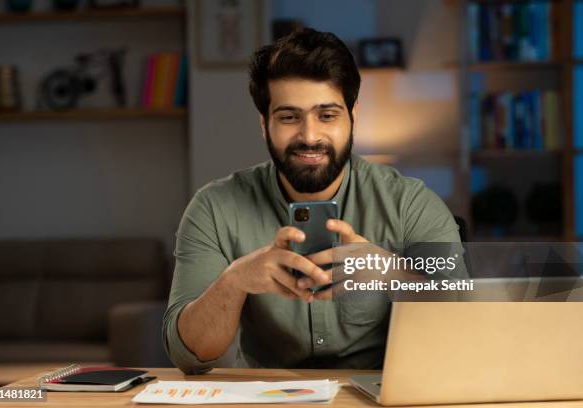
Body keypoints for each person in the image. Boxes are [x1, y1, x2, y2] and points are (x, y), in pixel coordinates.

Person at [162, 28, 464, 375]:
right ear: (264, 124)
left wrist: (392, 274)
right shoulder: (214, 208)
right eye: (289, 117)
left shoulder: (412, 204)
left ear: (353, 116)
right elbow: (188, 355)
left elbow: (465, 326)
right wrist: (234, 281)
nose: (309, 136)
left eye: (327, 115)